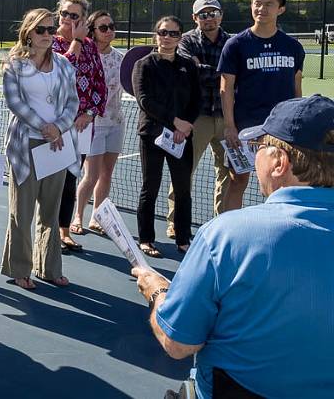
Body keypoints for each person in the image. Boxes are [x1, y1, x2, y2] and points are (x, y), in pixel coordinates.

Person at [132, 95, 334, 399]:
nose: (255, 156)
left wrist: (157, 291)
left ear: (280, 162)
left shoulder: (225, 235)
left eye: (261, 147)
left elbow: (178, 344)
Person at [1, 8, 80, 291]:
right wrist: (44, 128)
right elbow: (15, 103)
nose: (47, 35)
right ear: (28, 33)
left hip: (57, 146)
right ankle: (20, 269)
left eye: (50, 30)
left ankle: (49, 268)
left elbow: (73, 102)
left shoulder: (63, 65)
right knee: (21, 212)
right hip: (26, 146)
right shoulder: (14, 65)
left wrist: (58, 128)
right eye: (41, 30)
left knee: (51, 210)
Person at [218, 0, 304, 212]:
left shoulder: (293, 46)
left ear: (281, 9)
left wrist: (297, 124)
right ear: (251, 6)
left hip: (282, 130)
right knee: (238, 181)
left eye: (269, 4)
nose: (262, 9)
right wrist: (229, 126)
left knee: (282, 183)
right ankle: (230, 230)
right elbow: (225, 88)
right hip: (246, 128)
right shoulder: (235, 45)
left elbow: (297, 86)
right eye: (258, 3)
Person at [132, 16, 200, 257]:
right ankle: (146, 239)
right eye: (163, 32)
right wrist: (175, 121)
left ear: (180, 37)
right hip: (152, 135)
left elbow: (196, 100)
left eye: (173, 33)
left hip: (182, 137)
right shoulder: (144, 65)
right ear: (156, 35)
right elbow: (145, 100)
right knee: (150, 188)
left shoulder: (189, 66)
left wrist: (186, 125)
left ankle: (183, 238)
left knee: (183, 189)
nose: (168, 38)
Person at [169, 0, 231, 237]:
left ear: (221, 15)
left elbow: (234, 76)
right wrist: (225, 73)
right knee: (185, 170)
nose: (209, 18)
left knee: (228, 171)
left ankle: (222, 223)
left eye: (213, 12)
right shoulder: (186, 41)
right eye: (203, 14)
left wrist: (204, 68)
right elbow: (191, 73)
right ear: (195, 18)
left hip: (227, 117)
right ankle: (176, 220)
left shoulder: (232, 42)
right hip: (197, 117)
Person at [52, 0, 106, 251]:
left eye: (75, 16)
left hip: (82, 128)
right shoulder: (49, 43)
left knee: (70, 179)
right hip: (53, 127)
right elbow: (59, 72)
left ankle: (63, 231)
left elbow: (99, 85)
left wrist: (89, 113)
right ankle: (48, 230)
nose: (68, 19)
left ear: (84, 19)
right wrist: (76, 41)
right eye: (64, 14)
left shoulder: (92, 48)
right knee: (51, 181)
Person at [72, 10, 124, 234]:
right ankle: (77, 217)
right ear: (92, 31)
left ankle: (97, 217)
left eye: (112, 26)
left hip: (116, 123)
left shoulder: (122, 58)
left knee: (106, 175)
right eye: (103, 27)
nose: (109, 31)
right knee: (90, 176)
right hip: (92, 125)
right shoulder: (87, 55)